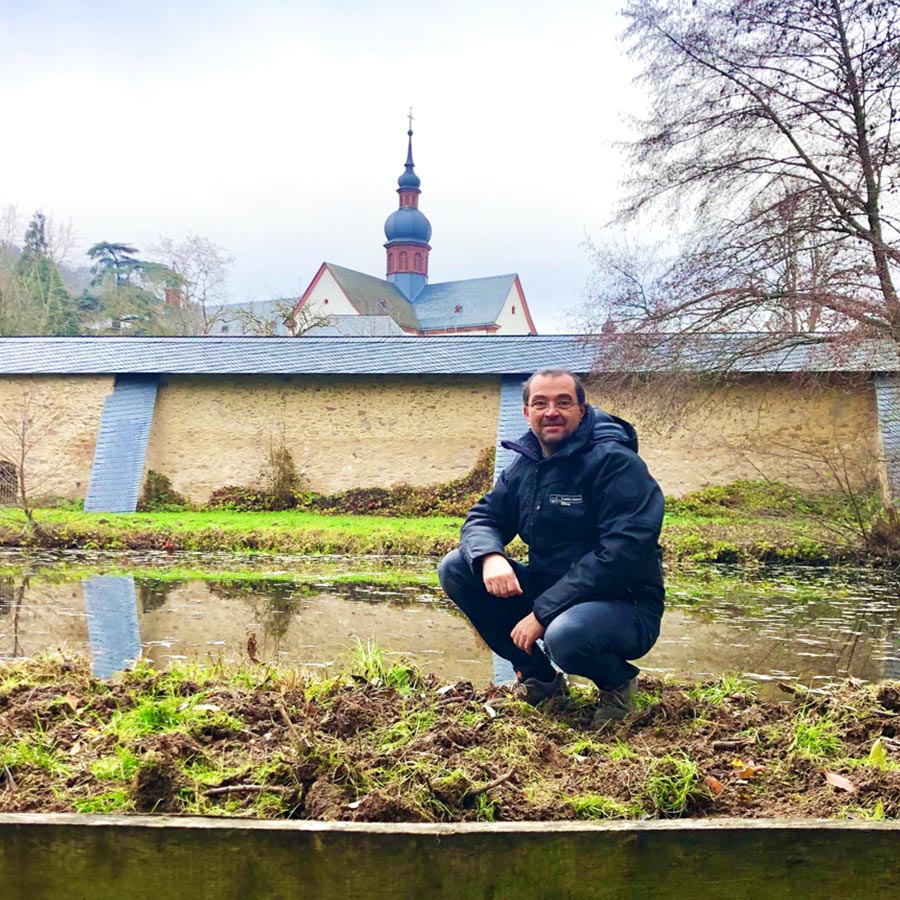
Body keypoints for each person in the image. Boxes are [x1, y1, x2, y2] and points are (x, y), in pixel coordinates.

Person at [438, 369, 665, 724]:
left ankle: (618, 684)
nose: (551, 412)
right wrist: (490, 556)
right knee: (456, 566)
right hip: (553, 592)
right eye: (540, 403)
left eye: (563, 402)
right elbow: (484, 516)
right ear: (527, 413)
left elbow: (621, 554)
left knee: (565, 634)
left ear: (582, 409)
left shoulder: (616, 463)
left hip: (624, 604)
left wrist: (543, 613)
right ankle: (539, 679)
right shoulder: (528, 464)